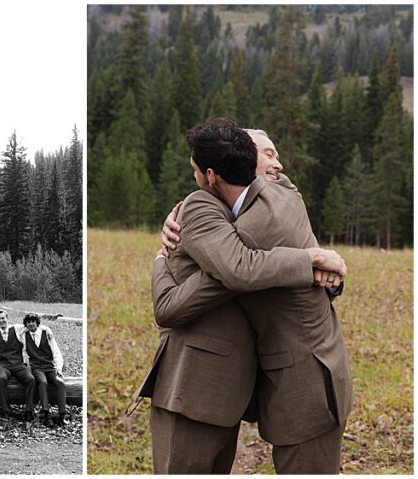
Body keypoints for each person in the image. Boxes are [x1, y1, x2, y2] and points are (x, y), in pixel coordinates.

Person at [146, 122, 352, 473]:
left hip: (305, 381)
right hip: (206, 382)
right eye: (268, 154)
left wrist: (163, 259)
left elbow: (237, 269)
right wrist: (310, 262)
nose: (279, 165)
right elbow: (239, 266)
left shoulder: (271, 205)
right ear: (243, 163)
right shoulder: (221, 209)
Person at [22, 313, 67, 426]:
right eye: (28, 322)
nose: (31, 324)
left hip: (50, 366)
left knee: (60, 383)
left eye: (33, 321)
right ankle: (46, 414)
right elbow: (13, 327)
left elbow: (56, 352)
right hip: (37, 367)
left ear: (37, 323)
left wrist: (59, 368)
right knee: (42, 382)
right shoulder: (24, 335)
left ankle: (62, 415)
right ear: (26, 324)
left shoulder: (46, 334)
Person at [0, 310, 35, 419]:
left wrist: (46, 330)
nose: (1, 321)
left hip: (18, 364)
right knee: (1, 379)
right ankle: (6, 410)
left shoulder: (16, 329)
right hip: (3, 365)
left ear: (7, 318)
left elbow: (32, 326)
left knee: (31, 379)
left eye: (3, 318)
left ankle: (29, 410)